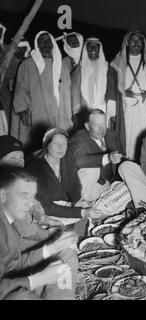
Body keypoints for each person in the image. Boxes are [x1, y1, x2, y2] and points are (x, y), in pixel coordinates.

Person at [0, 167, 79, 300]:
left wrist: (50, 249)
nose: (30, 203)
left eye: (32, 197)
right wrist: (36, 280)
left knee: (66, 254)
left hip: (12, 281)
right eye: (24, 196)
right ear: (2, 195)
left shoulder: (7, 220)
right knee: (21, 296)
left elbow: (12, 265)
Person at [26, 128, 104, 225]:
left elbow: (74, 185)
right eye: (56, 144)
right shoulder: (36, 168)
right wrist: (81, 212)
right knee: (81, 217)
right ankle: (74, 235)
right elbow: (46, 206)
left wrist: (76, 201)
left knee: (87, 217)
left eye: (64, 143)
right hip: (45, 210)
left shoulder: (66, 160)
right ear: (46, 145)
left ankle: (81, 235)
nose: (61, 147)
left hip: (63, 203)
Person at [11, 31, 73, 151]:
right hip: (37, 112)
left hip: (59, 112)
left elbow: (67, 91)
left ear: (52, 44)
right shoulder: (28, 64)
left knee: (57, 143)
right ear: (37, 44)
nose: (45, 43)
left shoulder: (61, 66)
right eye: (42, 41)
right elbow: (21, 88)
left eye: (48, 40)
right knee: (37, 145)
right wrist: (22, 110)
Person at [108, 30, 146, 160]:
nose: (136, 43)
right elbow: (111, 87)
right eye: (133, 40)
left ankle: (145, 164)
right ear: (127, 43)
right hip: (126, 108)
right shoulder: (116, 64)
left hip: (144, 108)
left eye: (139, 40)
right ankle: (128, 165)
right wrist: (113, 112)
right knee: (128, 137)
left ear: (143, 43)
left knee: (145, 136)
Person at [66, 109, 123, 202]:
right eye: (96, 125)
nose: (101, 129)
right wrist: (108, 158)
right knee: (92, 169)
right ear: (87, 126)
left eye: (103, 124)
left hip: (108, 184)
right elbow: (78, 160)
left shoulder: (112, 135)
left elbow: (122, 157)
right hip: (85, 186)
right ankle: (79, 205)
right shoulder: (79, 138)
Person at [71, 37, 109, 130]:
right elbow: (75, 91)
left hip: (102, 107)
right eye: (90, 46)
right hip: (85, 108)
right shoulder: (79, 68)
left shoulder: (107, 67)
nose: (93, 49)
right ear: (86, 49)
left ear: (100, 49)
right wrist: (76, 112)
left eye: (95, 47)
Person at [0, 39, 30, 136]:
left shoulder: (28, 64)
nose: (21, 51)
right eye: (18, 48)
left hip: (24, 104)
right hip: (6, 101)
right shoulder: (5, 63)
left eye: (23, 49)